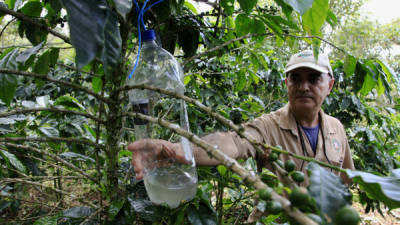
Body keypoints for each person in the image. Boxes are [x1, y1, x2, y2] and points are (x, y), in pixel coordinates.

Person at [128, 50, 355, 185]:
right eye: (295, 78)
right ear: (286, 84)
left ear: (330, 85)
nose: (304, 87)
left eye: (314, 78)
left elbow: (346, 180)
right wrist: (175, 148)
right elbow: (231, 142)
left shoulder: (337, 129)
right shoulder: (268, 127)